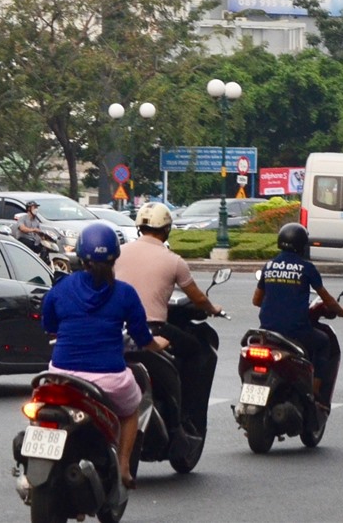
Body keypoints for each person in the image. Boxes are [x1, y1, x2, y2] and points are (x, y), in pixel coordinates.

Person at [40, 223, 165, 491]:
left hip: (60, 375)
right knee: (132, 410)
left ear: (81, 257)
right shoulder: (125, 294)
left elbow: (48, 325)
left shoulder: (60, 289)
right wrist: (159, 344)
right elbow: (142, 338)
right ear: (115, 257)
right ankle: (122, 466)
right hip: (108, 378)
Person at [116, 202, 222, 445]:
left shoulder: (119, 252)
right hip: (153, 330)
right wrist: (213, 308)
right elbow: (197, 297)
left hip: (118, 331)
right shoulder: (173, 260)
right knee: (198, 350)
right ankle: (186, 413)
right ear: (167, 230)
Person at [253, 223, 343, 409]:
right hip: (295, 331)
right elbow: (327, 300)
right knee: (323, 343)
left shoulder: (269, 266)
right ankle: (314, 391)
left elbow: (256, 301)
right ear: (302, 245)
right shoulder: (306, 268)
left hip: (267, 331)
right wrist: (342, 311)